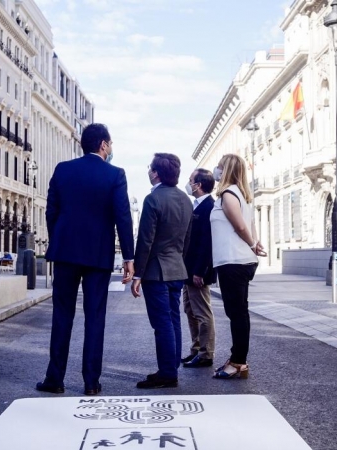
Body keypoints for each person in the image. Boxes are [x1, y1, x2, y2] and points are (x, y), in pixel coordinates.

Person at [37, 123, 135, 397]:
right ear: (103, 145)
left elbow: (51, 211)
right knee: (94, 317)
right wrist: (129, 256)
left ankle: (54, 378)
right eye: (111, 144)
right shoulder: (115, 174)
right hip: (97, 255)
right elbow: (122, 217)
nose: (111, 148)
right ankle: (91, 382)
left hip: (65, 252)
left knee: (62, 314)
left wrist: (59, 239)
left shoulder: (63, 169)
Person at [130, 154, 193, 389]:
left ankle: (167, 373)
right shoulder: (185, 200)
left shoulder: (153, 199)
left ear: (156, 173)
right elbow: (188, 239)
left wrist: (137, 274)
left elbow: (145, 240)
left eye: (150, 168)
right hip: (177, 268)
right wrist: (179, 261)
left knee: (162, 323)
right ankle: (171, 366)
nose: (148, 171)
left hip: (156, 271)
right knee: (174, 319)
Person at [210, 153, 266, 380]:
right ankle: (237, 359)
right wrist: (255, 244)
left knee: (237, 313)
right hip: (236, 261)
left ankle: (239, 362)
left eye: (220, 167)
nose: (216, 170)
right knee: (237, 312)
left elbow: (242, 227)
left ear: (227, 170)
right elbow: (250, 227)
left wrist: (253, 244)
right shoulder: (241, 195)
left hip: (234, 261)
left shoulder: (229, 194)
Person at [182, 169, 217, 368]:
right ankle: (196, 348)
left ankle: (206, 353)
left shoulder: (209, 208)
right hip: (188, 270)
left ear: (199, 185)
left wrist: (200, 271)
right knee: (190, 310)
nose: (189, 183)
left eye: (191, 180)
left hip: (198, 271)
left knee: (203, 313)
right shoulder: (196, 206)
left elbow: (207, 243)